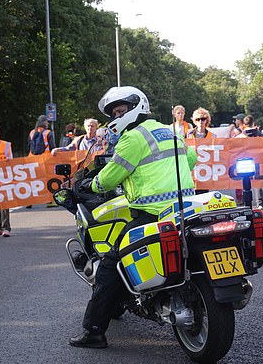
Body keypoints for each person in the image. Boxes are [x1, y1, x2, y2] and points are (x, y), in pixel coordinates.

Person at [69, 86, 197, 348]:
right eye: (114, 112)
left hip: (151, 215)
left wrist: (88, 186)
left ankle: (94, 332)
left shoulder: (133, 138)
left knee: (110, 266)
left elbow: (110, 177)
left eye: (120, 110)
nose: (116, 116)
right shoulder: (170, 131)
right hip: (184, 211)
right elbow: (191, 159)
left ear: (137, 107)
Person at [236, 115, 263, 208]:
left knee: (245, 183)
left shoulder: (239, 137)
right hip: (257, 161)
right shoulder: (259, 135)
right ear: (253, 123)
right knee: (258, 183)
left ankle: (245, 203)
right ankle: (260, 204)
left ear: (244, 124)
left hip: (242, 164)